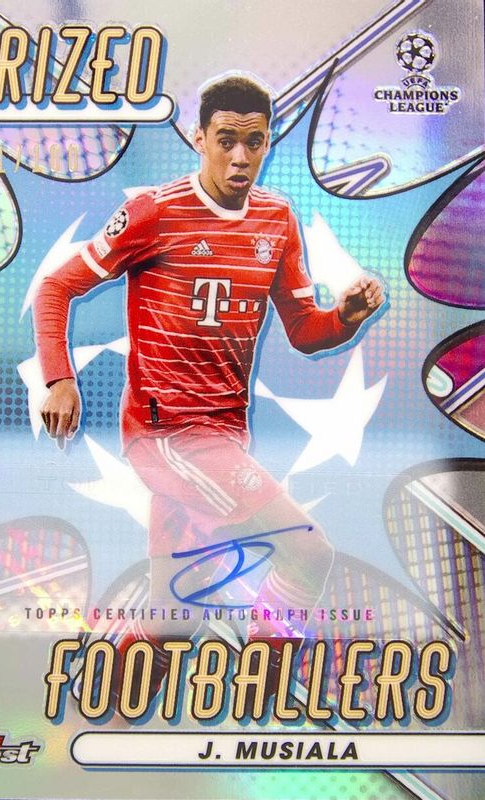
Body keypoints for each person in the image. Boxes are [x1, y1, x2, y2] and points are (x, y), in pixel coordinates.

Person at [33, 74, 384, 661]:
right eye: (226, 141)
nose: (240, 157)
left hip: (225, 435)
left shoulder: (276, 218)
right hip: (169, 434)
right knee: (307, 551)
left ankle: (102, 714)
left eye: (254, 142)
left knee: (173, 618)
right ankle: (267, 687)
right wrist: (59, 379)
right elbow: (55, 287)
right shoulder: (154, 213)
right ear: (200, 139)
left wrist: (344, 317)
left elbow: (304, 332)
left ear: (268, 143)